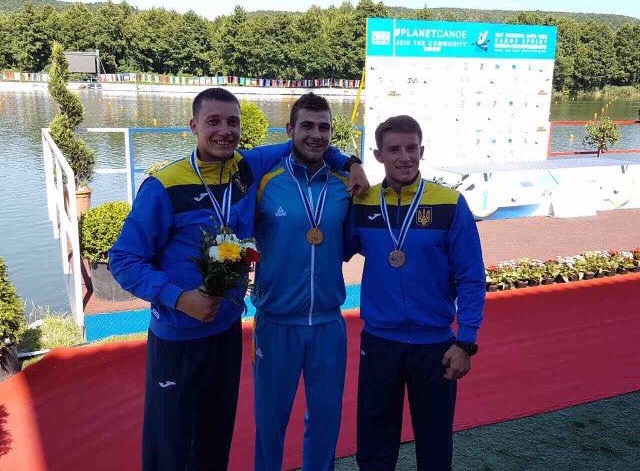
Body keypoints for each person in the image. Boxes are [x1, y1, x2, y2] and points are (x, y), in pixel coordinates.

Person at [108, 87, 368, 471]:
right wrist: (179, 298)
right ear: (193, 126)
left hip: (227, 330)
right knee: (170, 445)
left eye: (232, 122)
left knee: (215, 442)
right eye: (213, 121)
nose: (224, 131)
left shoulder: (246, 168)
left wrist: (352, 162)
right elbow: (123, 259)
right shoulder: (164, 185)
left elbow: (309, 144)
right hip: (178, 336)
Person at [345, 115, 486, 471]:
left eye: (411, 148)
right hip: (380, 343)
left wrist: (466, 341)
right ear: (378, 155)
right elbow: (334, 250)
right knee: (374, 443)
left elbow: (471, 277)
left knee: (435, 444)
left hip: (436, 345)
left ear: (422, 151)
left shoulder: (450, 204)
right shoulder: (362, 203)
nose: (404, 157)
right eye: (394, 149)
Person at [251, 93, 353, 471]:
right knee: (270, 424)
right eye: (306, 126)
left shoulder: (345, 185)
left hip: (328, 323)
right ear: (289, 130)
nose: (316, 134)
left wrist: (350, 162)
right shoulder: (265, 182)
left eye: (324, 127)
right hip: (276, 323)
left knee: (325, 423)